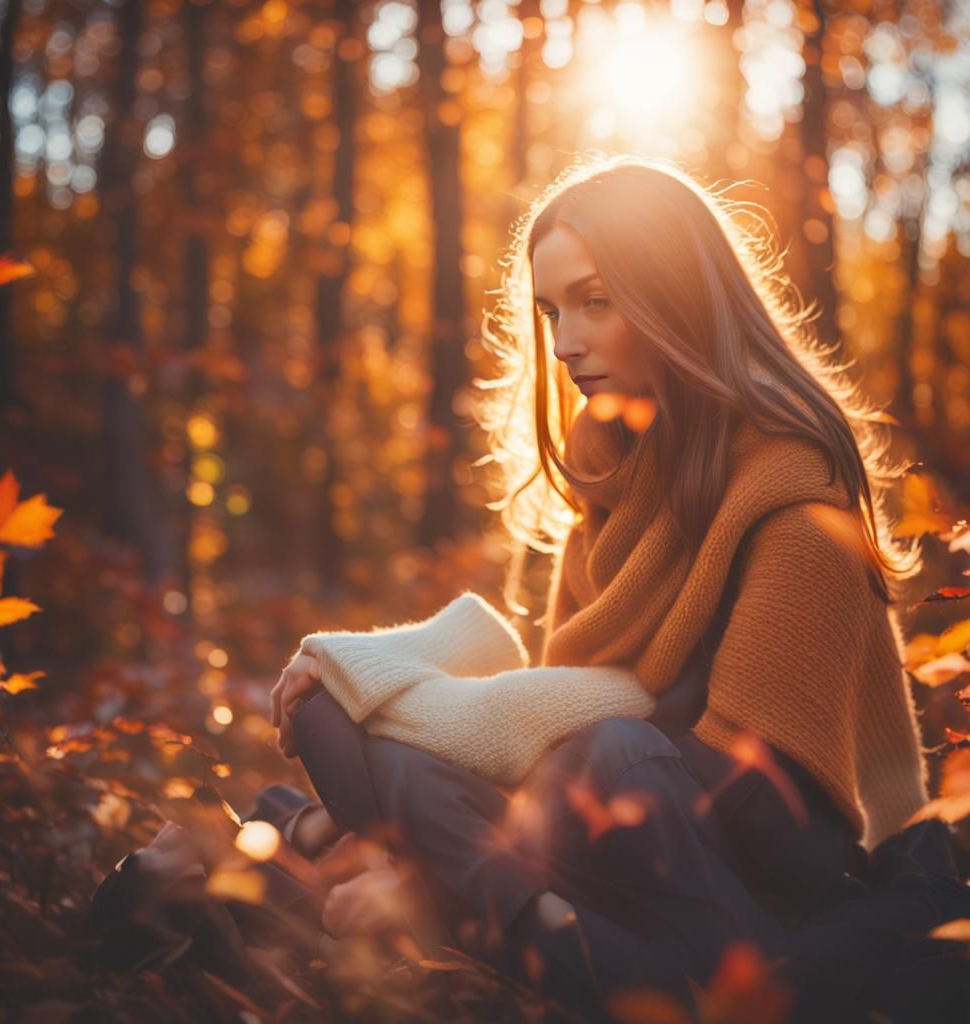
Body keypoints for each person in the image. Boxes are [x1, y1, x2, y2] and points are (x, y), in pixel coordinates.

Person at [269, 154, 970, 1021]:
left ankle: (452, 905)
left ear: (679, 297)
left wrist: (476, 717)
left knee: (607, 756)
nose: (566, 341)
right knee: (339, 724)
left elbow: (772, 826)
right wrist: (415, 662)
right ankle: (497, 913)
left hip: (771, 902)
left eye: (596, 301)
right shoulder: (614, 485)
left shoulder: (796, 504)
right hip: (622, 874)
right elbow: (555, 718)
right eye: (552, 310)